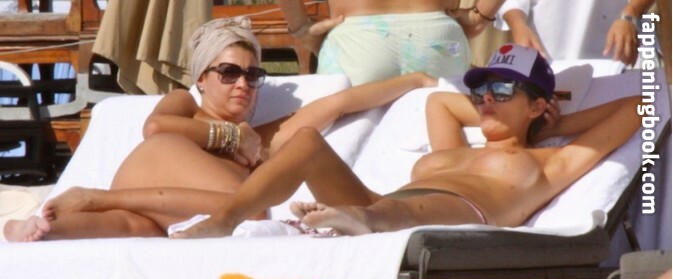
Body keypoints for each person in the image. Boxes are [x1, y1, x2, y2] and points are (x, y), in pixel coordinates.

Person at [2, 17, 437, 242]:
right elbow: (156, 127)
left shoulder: (268, 135)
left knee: (134, 229)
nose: (242, 83)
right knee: (250, 208)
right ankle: (95, 199)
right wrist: (231, 137)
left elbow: (339, 103)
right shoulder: (185, 105)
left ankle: (39, 230)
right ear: (202, 78)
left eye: (253, 74)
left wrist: (417, 80)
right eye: (228, 72)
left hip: (158, 211)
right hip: (152, 167)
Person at [164, 43, 638, 238]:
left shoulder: (551, 164)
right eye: (480, 91)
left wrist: (551, 129)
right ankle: (224, 221)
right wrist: (507, 114)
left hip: (438, 216)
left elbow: (641, 104)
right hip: (381, 204)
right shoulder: (453, 152)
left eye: (501, 90)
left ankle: (356, 221)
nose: (485, 100)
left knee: (402, 210)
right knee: (306, 141)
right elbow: (439, 103)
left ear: (536, 105)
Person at [278, 0, 510, 85]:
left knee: (342, 150)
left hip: (358, 34)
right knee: (441, 144)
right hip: (436, 33)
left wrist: (300, 27)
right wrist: (481, 15)